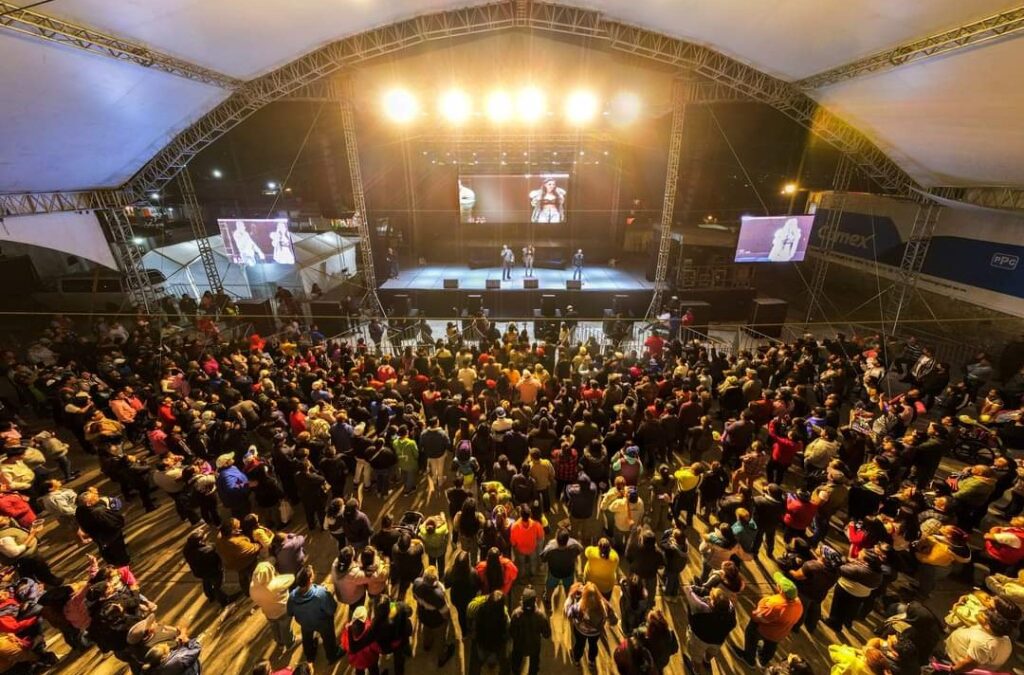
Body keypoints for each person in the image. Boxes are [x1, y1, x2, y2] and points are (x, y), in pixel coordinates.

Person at [732, 572, 803, 667]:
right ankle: (763, 661)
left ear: (781, 590)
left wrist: (755, 614)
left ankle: (749, 659)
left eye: (779, 585)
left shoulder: (775, 605)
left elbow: (759, 617)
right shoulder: (798, 603)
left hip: (764, 630)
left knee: (751, 636)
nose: (777, 585)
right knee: (771, 646)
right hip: (780, 633)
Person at [287, 564, 340, 663]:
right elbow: (332, 609)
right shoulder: (320, 594)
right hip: (323, 623)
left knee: (307, 637)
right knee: (329, 638)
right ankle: (332, 655)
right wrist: (324, 591)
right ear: (310, 580)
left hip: (305, 623)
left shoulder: (292, 596)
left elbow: (290, 612)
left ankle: (310, 655)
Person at [683, 586, 736, 675]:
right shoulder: (730, 613)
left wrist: (693, 589)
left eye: (711, 599)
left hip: (700, 640)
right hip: (717, 641)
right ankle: (707, 661)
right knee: (712, 652)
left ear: (713, 604)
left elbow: (689, 592)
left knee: (696, 657)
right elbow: (733, 624)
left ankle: (695, 671)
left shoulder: (702, 610)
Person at [564, 581, 617, 666]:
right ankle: (591, 661)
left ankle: (577, 660)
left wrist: (570, 597)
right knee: (593, 645)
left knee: (579, 645)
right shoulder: (604, 606)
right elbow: (614, 621)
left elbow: (567, 612)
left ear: (584, 595)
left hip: (580, 631)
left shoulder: (578, 607)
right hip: (595, 633)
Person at [412, 566, 456, 666]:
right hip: (436, 621)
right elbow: (445, 613)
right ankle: (442, 657)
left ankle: (427, 645)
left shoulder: (417, 583)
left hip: (423, 615)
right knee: (440, 639)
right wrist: (447, 620)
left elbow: (414, 597)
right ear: (435, 579)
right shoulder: (438, 595)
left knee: (426, 630)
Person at [250, 561, 296, 650]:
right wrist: (276, 577)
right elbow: (291, 577)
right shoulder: (275, 584)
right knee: (285, 628)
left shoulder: (252, 587)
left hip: (268, 613)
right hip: (283, 611)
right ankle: (290, 643)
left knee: (275, 628)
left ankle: (280, 643)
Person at [183, 529, 231, 606]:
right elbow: (216, 558)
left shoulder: (187, 549)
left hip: (200, 571)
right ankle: (224, 600)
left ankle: (210, 596)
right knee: (217, 586)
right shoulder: (207, 550)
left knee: (206, 581)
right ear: (199, 541)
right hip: (213, 571)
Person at [509, 587, 551, 675]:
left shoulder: (516, 614)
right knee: (534, 664)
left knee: (516, 661)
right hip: (534, 645)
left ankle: (515, 672)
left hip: (519, 645)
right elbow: (547, 634)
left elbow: (511, 632)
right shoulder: (540, 616)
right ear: (535, 600)